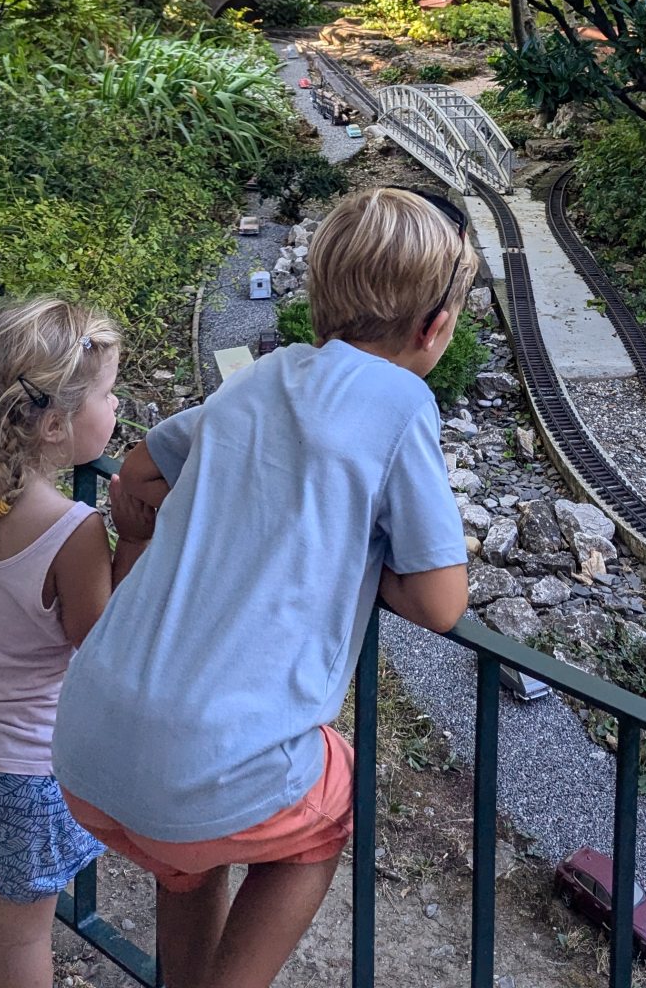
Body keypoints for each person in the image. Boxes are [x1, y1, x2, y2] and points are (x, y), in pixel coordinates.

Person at [54, 187, 475, 988]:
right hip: (200, 764)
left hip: (88, 738)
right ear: (436, 326)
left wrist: (210, 521)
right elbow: (440, 601)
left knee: (192, 851)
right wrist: (346, 547)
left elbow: (137, 476)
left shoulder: (262, 374)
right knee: (334, 804)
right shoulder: (402, 403)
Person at [0, 297, 141, 988]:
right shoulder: (70, 531)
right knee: (17, 940)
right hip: (23, 770)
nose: (118, 402)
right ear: (52, 424)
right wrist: (131, 539)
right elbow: (102, 642)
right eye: (107, 394)